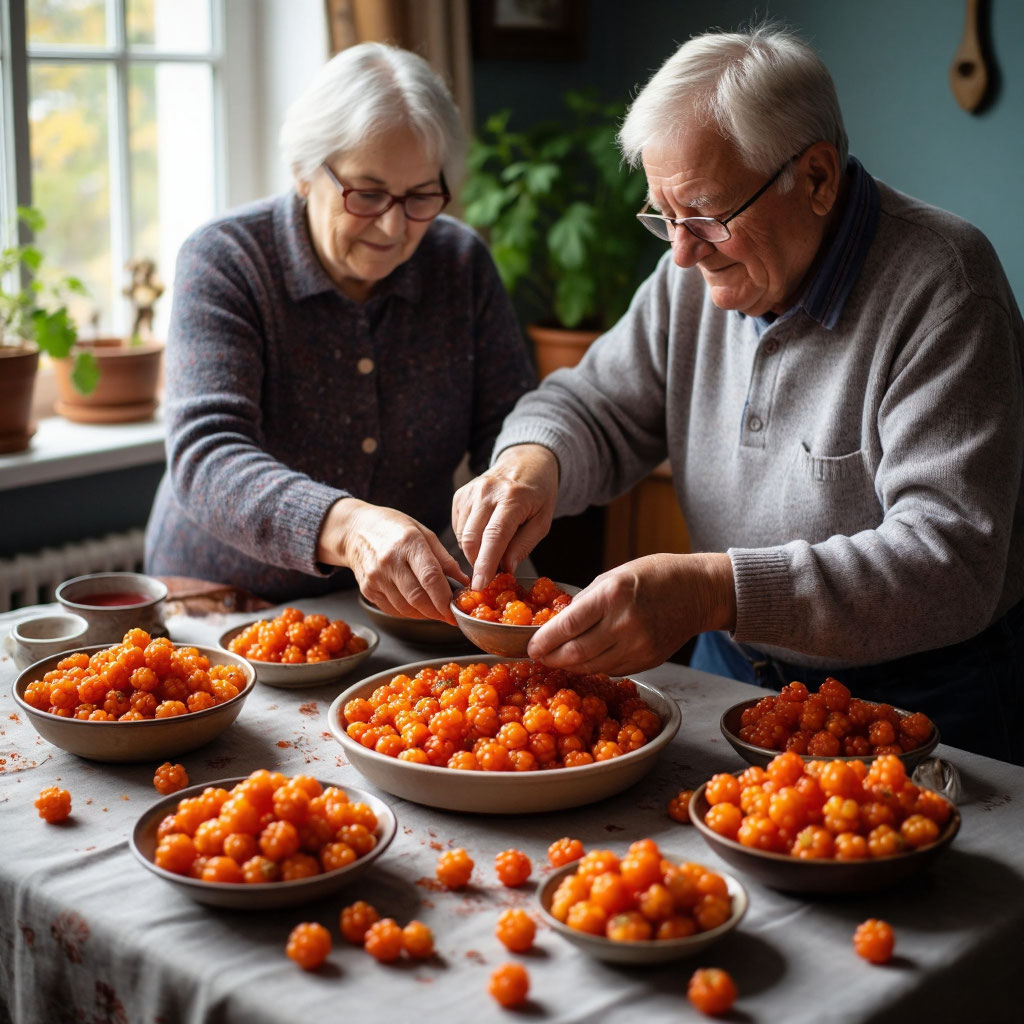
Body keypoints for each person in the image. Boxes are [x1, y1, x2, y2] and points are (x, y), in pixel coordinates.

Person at [453, 24, 1024, 763]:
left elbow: (948, 564)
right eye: (665, 217)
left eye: (706, 215)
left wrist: (709, 593)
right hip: (734, 679)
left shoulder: (947, 285)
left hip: (919, 702)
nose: (683, 251)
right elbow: (590, 403)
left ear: (816, 178)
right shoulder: (692, 271)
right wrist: (530, 464)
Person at [145, 42, 535, 621]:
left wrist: (510, 506)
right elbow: (207, 456)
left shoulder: (460, 262)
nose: (394, 226)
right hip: (219, 602)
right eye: (368, 193)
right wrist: (350, 525)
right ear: (305, 172)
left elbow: (510, 424)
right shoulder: (226, 257)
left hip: (390, 612)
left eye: (422, 196)